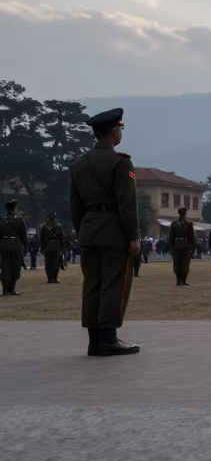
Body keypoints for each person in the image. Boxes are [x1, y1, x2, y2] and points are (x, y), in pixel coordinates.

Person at [66, 107, 140, 355]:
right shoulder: (120, 162)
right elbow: (127, 204)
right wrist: (133, 236)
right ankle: (108, 338)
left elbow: (75, 205)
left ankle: (94, 340)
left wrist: (83, 231)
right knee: (114, 285)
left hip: (89, 232)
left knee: (92, 285)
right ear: (115, 131)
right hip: (114, 234)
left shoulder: (79, 164)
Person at [0, 200, 28, 296]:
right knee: (15, 268)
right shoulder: (19, 220)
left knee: (5, 268)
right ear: (14, 208)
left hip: (4, 246)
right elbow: (23, 235)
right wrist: (25, 245)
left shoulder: (2, 220)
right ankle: (11, 289)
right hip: (16, 246)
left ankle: (5, 290)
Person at [168, 205, 197, 286]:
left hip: (182, 246)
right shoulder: (175, 224)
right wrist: (193, 247)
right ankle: (181, 280)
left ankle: (181, 280)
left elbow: (192, 237)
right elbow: (192, 237)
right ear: (184, 214)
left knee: (182, 264)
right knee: (181, 264)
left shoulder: (187, 224)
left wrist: (171, 247)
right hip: (181, 246)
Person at [39, 211, 66, 284]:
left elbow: (41, 238)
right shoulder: (58, 226)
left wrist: (42, 247)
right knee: (56, 263)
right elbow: (62, 238)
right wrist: (62, 248)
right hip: (56, 245)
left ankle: (49, 278)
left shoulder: (44, 227)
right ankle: (55, 278)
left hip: (47, 245)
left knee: (48, 263)